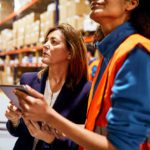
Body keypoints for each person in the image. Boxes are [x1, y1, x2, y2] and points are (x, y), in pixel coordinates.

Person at [14, 0, 150, 150]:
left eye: (54, 41)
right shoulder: (109, 57)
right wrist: (62, 129)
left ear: (131, 3)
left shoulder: (135, 53)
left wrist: (49, 116)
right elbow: (98, 126)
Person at [5, 23, 91, 150]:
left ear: (70, 53)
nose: (45, 45)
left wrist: (49, 138)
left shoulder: (84, 91)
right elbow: (18, 132)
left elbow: (81, 143)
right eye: (46, 41)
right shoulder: (28, 81)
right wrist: (14, 120)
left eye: (53, 42)